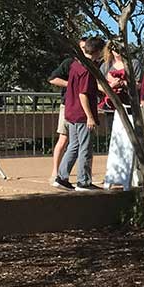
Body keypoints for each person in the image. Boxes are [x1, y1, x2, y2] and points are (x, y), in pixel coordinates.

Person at [54, 37, 106, 191]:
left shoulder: (76, 65)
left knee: (74, 146)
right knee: (85, 148)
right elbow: (83, 94)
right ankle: (83, 181)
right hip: (81, 115)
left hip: (70, 112)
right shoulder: (87, 69)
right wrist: (90, 116)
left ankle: (62, 177)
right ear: (97, 51)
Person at [100, 41, 143, 190]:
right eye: (114, 49)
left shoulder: (134, 63)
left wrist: (124, 83)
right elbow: (99, 84)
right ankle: (113, 174)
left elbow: (139, 84)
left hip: (130, 107)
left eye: (120, 49)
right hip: (112, 107)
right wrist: (110, 86)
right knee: (115, 141)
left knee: (132, 141)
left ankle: (136, 175)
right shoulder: (105, 65)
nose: (117, 52)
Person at [47, 37, 85, 186]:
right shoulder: (69, 63)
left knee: (77, 143)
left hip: (82, 108)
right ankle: (55, 172)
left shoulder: (92, 64)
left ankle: (67, 175)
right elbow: (52, 78)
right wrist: (72, 85)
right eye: (81, 47)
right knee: (64, 138)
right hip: (68, 105)